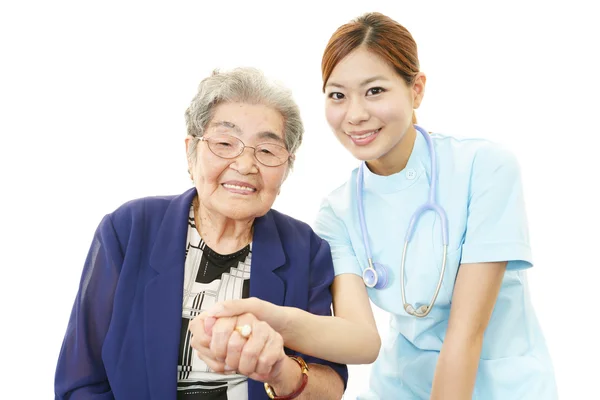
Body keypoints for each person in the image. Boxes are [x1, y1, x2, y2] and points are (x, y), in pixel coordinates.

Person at [201, 12, 558, 399]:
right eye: (338, 95)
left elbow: (465, 334)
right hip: (400, 387)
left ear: (416, 89)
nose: (355, 114)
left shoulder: (484, 168)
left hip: (502, 387)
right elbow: (360, 340)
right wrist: (271, 317)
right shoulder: (338, 211)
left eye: (374, 91)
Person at [54, 67, 347, 400]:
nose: (246, 164)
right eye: (225, 143)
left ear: (286, 168)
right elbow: (80, 381)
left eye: (266, 151)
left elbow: (331, 385)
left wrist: (280, 370)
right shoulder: (128, 229)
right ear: (191, 152)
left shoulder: (306, 249)